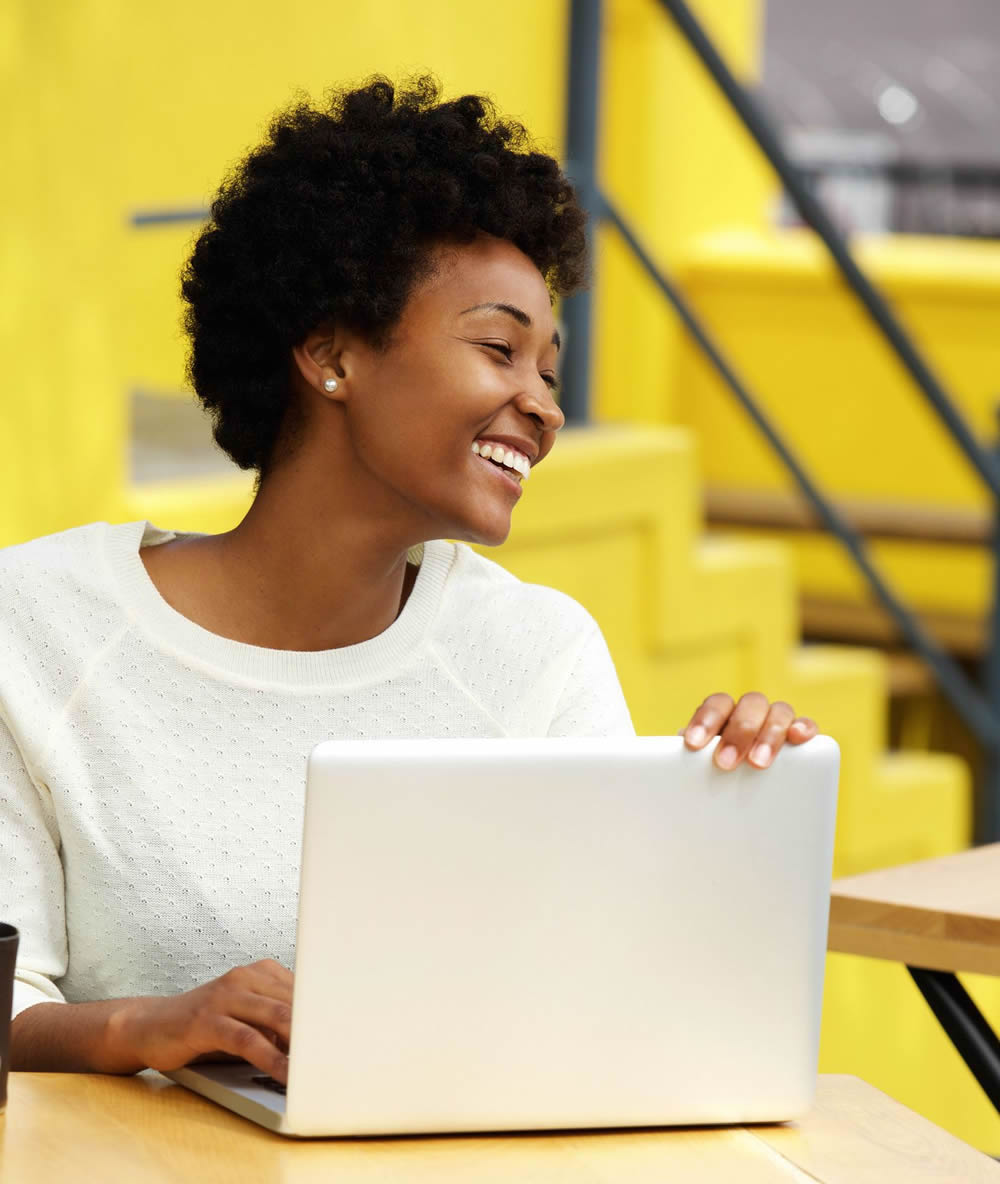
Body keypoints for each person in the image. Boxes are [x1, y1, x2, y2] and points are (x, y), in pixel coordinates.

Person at [3, 75, 818, 1086]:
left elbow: (616, 1004)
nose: (543, 406)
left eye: (549, 371)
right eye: (497, 348)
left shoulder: (537, 655)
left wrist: (726, 814)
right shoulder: (38, 625)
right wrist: (152, 1027)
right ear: (330, 352)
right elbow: (9, 997)